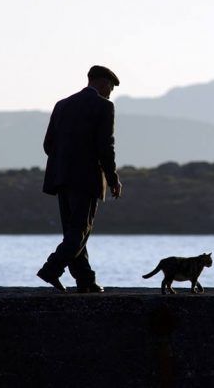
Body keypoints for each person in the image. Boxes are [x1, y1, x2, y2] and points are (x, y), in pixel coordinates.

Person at [37, 65, 122, 293]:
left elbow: (48, 145)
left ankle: (85, 281)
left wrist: (64, 162)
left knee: (73, 232)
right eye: (110, 89)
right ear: (104, 84)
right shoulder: (104, 106)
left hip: (60, 177)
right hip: (87, 179)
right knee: (80, 231)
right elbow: (105, 147)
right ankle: (51, 269)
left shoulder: (62, 105)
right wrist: (113, 178)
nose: (109, 93)